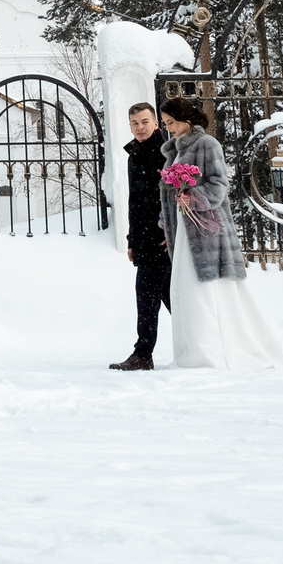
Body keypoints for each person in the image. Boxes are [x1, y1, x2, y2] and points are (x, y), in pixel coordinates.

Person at [158, 97, 283, 369]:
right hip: (182, 230)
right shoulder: (171, 151)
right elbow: (168, 194)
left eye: (171, 122)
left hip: (206, 230)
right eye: (166, 123)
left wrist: (193, 196)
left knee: (204, 290)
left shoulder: (207, 145)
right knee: (184, 289)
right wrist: (165, 218)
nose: (168, 128)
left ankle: (211, 353)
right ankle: (190, 353)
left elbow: (218, 184)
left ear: (186, 119)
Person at [110, 102, 171, 370]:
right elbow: (135, 202)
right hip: (144, 239)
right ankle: (204, 344)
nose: (140, 128)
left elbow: (172, 197)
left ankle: (143, 354)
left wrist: (169, 230)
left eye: (145, 122)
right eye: (134, 123)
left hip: (164, 238)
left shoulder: (168, 151)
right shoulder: (133, 154)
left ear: (156, 123)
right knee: (171, 298)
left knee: (148, 297)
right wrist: (131, 240)